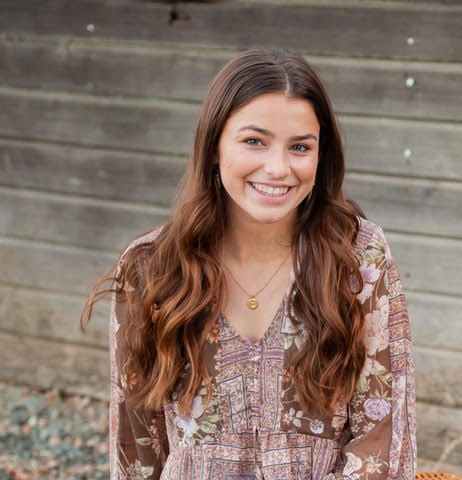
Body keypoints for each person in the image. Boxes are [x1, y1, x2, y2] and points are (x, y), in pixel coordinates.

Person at [81, 46, 416, 480]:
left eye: (300, 146)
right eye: (254, 141)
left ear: (321, 155)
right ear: (215, 146)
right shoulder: (150, 268)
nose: (278, 168)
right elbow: (136, 446)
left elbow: (384, 437)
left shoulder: (358, 258)